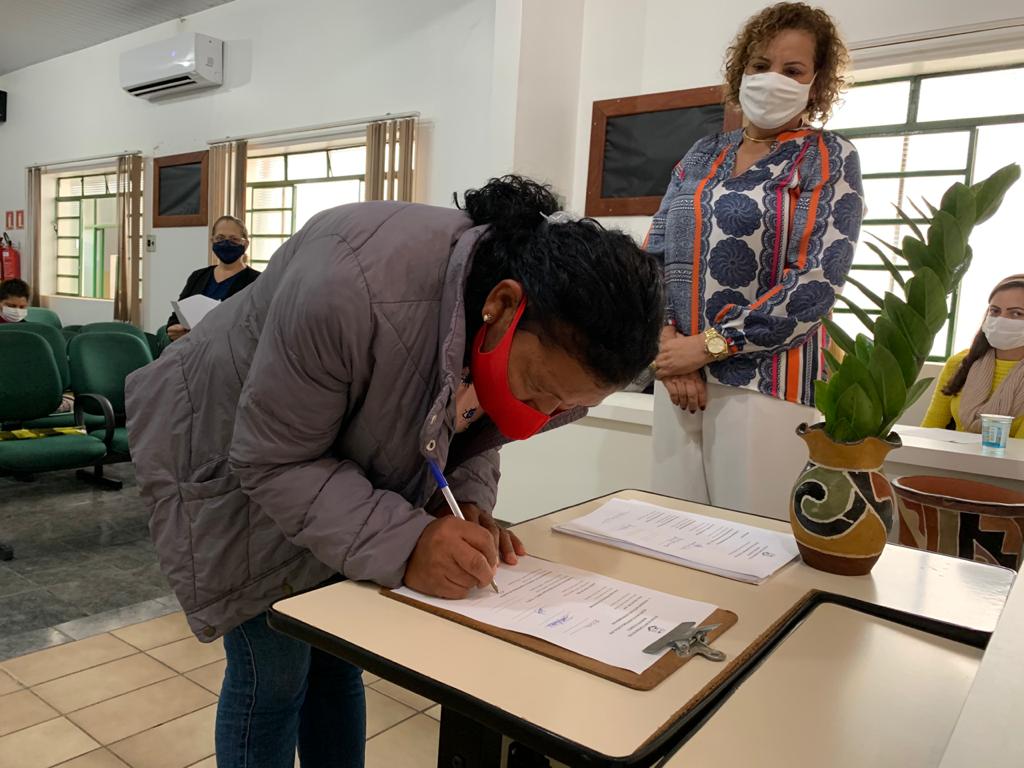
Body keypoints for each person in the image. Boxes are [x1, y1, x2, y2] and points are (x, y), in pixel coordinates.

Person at [124, 176, 663, 768]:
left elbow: (468, 415)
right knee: (272, 676)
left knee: (338, 662)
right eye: (538, 392)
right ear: (503, 306)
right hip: (227, 446)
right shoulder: (348, 284)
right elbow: (272, 457)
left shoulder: (522, 327)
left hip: (321, 458)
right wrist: (410, 542)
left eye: (567, 407)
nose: (541, 416)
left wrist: (461, 501)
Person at [645, 1, 864, 518]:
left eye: (792, 71)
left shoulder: (829, 158)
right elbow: (653, 250)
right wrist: (667, 341)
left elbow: (819, 277)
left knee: (750, 541)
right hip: (678, 373)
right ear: (740, 70)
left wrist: (709, 346)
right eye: (760, 65)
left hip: (768, 380)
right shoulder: (702, 154)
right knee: (671, 531)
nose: (772, 80)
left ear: (817, 82)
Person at [922, 274, 1024, 439]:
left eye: (1016, 314)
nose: (1001, 320)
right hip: (950, 462)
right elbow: (929, 431)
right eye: (995, 311)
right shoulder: (960, 362)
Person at [166, 215, 260, 341]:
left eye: (234, 239)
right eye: (220, 238)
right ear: (212, 241)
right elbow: (177, 316)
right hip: (192, 351)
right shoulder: (198, 276)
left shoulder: (257, 281)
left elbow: (259, 325)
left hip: (231, 355)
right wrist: (175, 329)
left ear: (245, 244)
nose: (226, 243)